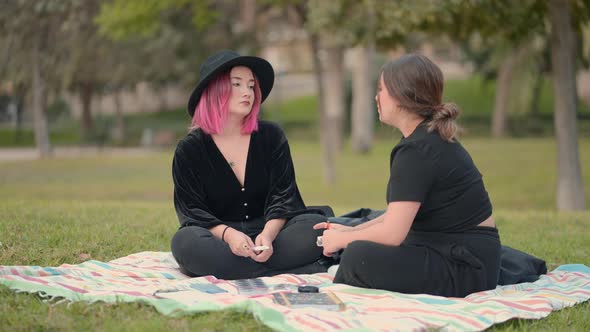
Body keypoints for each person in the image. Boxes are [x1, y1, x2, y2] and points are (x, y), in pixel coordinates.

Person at [315, 54, 501, 297]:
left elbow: (392, 234)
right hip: (464, 255)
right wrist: (346, 231)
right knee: (359, 246)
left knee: (358, 257)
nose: (376, 97)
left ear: (400, 95)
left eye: (381, 89)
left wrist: (342, 242)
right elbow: (394, 217)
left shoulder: (417, 150)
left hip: (464, 267)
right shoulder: (423, 139)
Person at [171, 50, 327, 279]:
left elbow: (283, 197)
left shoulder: (271, 136)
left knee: (315, 226)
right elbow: (192, 211)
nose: (248, 93)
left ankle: (238, 270)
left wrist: (268, 235)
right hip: (220, 240)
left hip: (272, 234)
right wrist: (229, 235)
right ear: (216, 90)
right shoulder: (190, 149)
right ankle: (290, 269)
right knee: (185, 243)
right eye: (237, 84)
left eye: (251, 86)